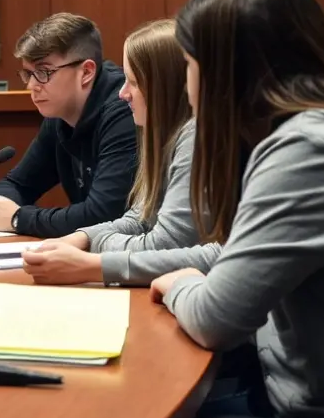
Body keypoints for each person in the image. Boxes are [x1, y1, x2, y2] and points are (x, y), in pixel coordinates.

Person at [152, 0, 324, 418]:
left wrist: (181, 283)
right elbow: (238, 257)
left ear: (226, 73)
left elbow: (215, 319)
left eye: (188, 64)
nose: (186, 83)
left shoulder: (311, 149)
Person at [23, 18, 219, 286]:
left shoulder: (196, 136)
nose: (123, 94)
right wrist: (82, 237)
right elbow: (140, 218)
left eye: (134, 82)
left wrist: (93, 250)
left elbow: (166, 243)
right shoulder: (160, 135)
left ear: (165, 87)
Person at [0, 13, 138, 237]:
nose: (31, 86)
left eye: (43, 73)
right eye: (28, 74)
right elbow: (17, 184)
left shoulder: (125, 110)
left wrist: (17, 218)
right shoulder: (60, 115)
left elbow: (103, 215)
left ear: (86, 72)